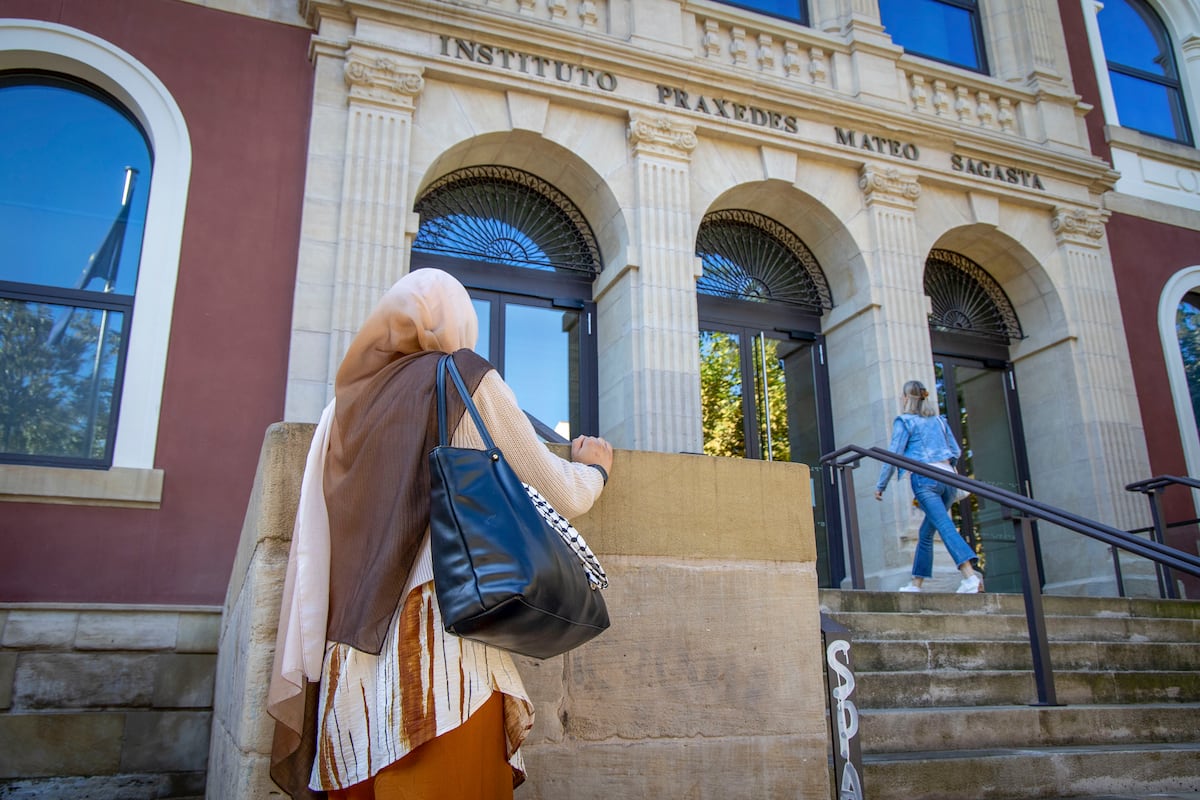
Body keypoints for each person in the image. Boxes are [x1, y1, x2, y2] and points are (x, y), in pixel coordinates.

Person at [266, 268, 614, 800]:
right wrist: (595, 469)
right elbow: (559, 493)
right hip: (434, 654)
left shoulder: (339, 413)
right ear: (459, 322)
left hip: (347, 665)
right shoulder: (460, 375)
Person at [873, 379, 982, 594]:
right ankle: (916, 584)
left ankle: (970, 577)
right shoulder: (939, 421)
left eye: (903, 396)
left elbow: (893, 455)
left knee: (944, 526)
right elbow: (956, 452)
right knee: (926, 533)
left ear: (907, 398)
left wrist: (881, 485)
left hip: (925, 480)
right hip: (949, 480)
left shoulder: (905, 421)